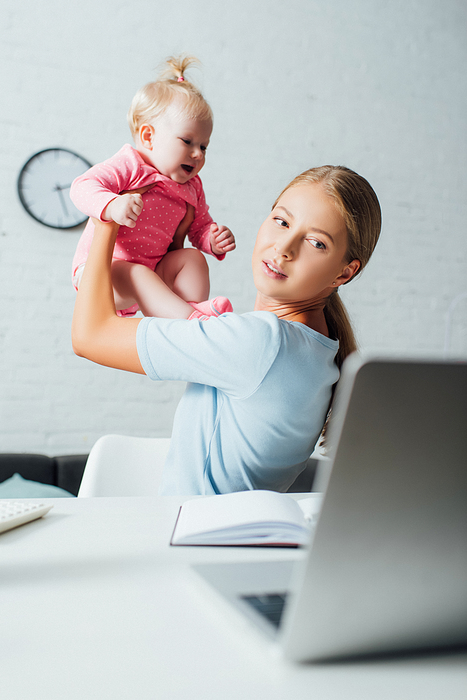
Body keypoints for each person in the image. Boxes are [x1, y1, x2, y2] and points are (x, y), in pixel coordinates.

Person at [72, 165, 382, 495]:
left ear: (345, 273)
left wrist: (105, 219)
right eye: (282, 221)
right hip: (227, 539)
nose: (284, 248)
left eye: (316, 243)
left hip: (196, 539)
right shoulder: (320, 351)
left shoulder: (260, 342)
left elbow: (90, 336)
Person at [70, 55, 235, 320]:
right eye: (187, 141)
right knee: (137, 273)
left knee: (194, 259)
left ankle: (189, 307)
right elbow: (82, 186)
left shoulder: (192, 186)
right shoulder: (131, 165)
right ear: (148, 136)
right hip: (103, 275)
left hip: (153, 275)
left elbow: (200, 226)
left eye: (203, 146)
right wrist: (111, 205)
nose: (197, 154)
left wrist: (211, 240)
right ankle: (191, 321)